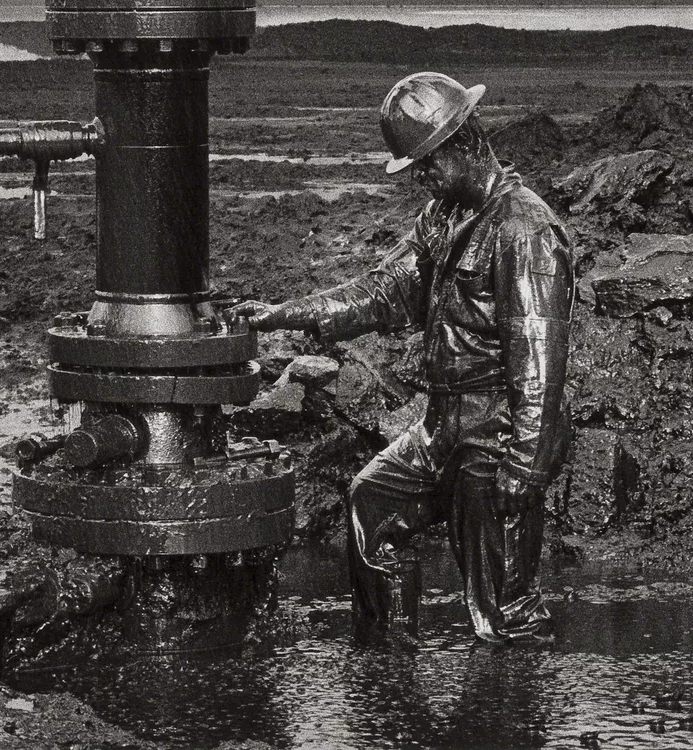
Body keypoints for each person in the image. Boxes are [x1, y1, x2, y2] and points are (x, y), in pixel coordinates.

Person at [232, 73, 573, 645]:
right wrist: (280, 313)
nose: (421, 177)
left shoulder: (527, 230)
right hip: (442, 423)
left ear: (464, 142)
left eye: (427, 162)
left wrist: (526, 466)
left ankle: (516, 706)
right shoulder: (443, 215)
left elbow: (538, 361)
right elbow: (384, 289)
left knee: (502, 609)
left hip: (497, 429)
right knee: (372, 501)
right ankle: (392, 662)